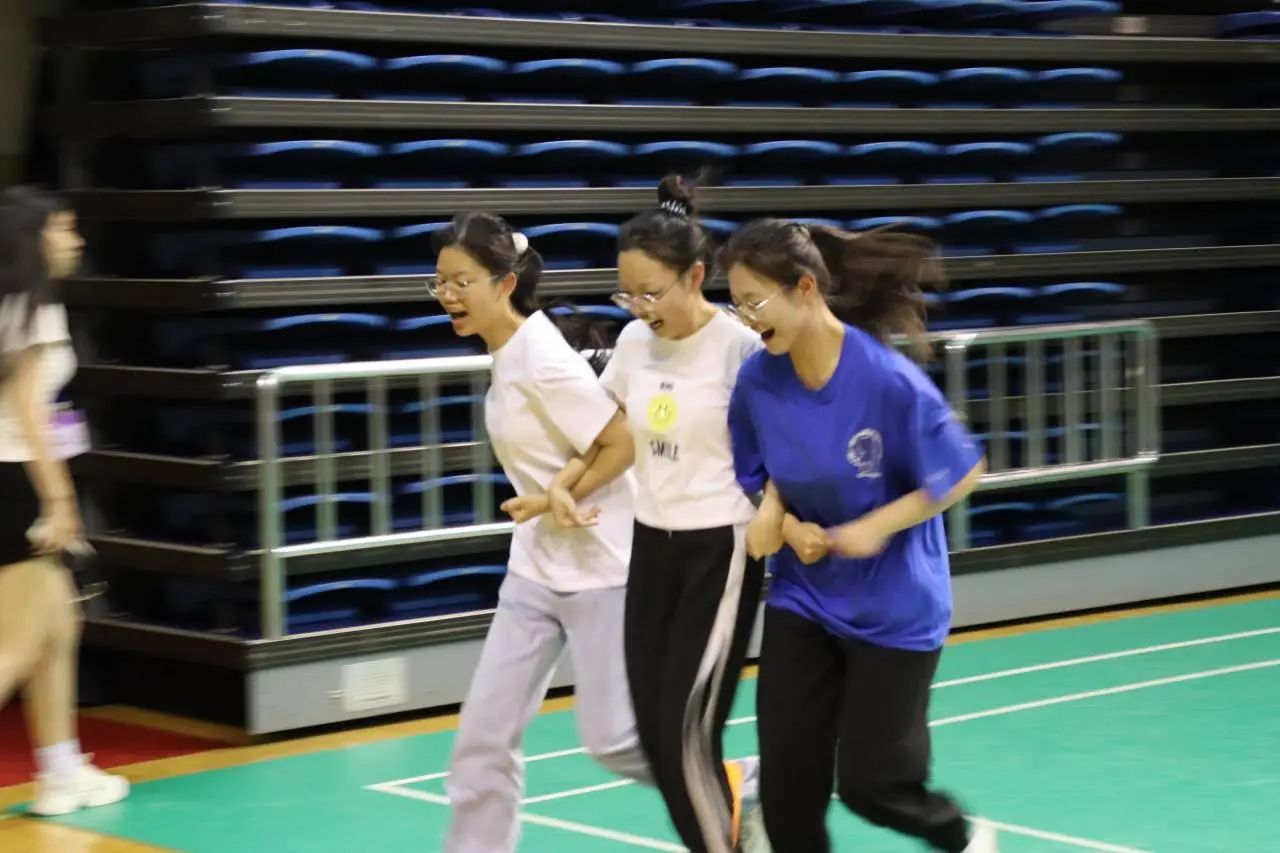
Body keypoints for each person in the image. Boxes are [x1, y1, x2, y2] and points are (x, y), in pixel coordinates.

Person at [719, 218, 997, 853]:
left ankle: (961, 835)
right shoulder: (758, 381)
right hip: (804, 598)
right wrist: (782, 520)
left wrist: (872, 528)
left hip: (893, 608)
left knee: (874, 787)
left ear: (805, 288)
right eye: (736, 306)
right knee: (789, 790)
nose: (747, 320)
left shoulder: (885, 380)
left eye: (755, 302)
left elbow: (962, 470)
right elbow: (760, 471)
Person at [546, 176, 768, 852]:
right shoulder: (634, 343)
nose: (640, 308)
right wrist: (567, 485)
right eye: (627, 294)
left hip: (720, 548)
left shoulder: (739, 349)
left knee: (685, 732)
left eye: (651, 293)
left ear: (695, 275)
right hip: (653, 546)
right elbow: (614, 433)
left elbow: (781, 450)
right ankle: (739, 816)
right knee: (652, 731)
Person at [431, 211, 650, 853]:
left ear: (504, 283)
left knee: (615, 741)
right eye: (440, 283)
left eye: (462, 282)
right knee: (482, 739)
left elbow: (622, 441)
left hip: (604, 566)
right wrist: (549, 500)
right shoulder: (508, 353)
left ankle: (740, 783)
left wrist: (562, 493)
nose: (447, 296)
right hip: (535, 569)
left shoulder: (543, 357)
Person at [0, 186, 129, 816]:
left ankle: (60, 770)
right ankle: (61, 769)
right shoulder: (35, 308)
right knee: (13, 646)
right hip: (16, 478)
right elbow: (30, 411)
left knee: (59, 627)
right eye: (64, 228)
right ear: (35, 238)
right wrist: (59, 500)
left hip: (7, 475)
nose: (75, 240)